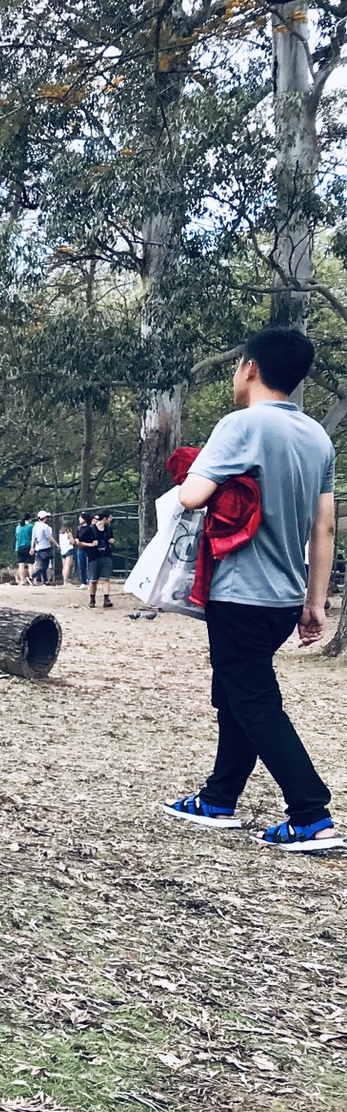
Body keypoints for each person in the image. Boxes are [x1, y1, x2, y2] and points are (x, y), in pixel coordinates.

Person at [161, 326, 340, 852]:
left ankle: (311, 813)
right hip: (284, 598)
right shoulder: (318, 437)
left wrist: (194, 469)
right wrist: (314, 603)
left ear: (251, 368)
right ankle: (219, 799)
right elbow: (323, 528)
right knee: (237, 694)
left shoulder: (241, 425)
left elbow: (192, 496)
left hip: (240, 592)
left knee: (254, 700)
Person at [86, 511, 116, 607]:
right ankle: (92, 599)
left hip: (106, 556)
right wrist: (90, 544)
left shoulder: (108, 529)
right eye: (109, 518)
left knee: (106, 578)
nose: (110, 520)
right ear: (105, 518)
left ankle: (106, 599)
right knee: (93, 580)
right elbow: (80, 542)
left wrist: (111, 540)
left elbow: (111, 539)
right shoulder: (90, 530)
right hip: (94, 557)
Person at [30, 510, 55, 584]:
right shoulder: (45, 526)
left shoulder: (35, 526)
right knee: (44, 565)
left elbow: (33, 538)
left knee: (42, 564)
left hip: (38, 548)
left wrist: (32, 547)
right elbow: (49, 537)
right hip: (45, 548)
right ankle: (32, 576)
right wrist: (56, 544)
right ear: (44, 518)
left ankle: (45, 580)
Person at [13, 516, 33, 585]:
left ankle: (22, 580)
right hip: (28, 546)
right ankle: (31, 579)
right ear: (29, 519)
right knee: (30, 564)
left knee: (21, 565)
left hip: (19, 547)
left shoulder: (18, 527)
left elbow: (16, 537)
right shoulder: (30, 526)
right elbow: (33, 537)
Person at [58, 520, 77, 586]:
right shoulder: (69, 534)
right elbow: (73, 542)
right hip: (69, 550)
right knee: (67, 566)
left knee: (64, 566)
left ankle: (64, 581)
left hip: (63, 551)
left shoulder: (60, 533)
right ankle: (66, 582)